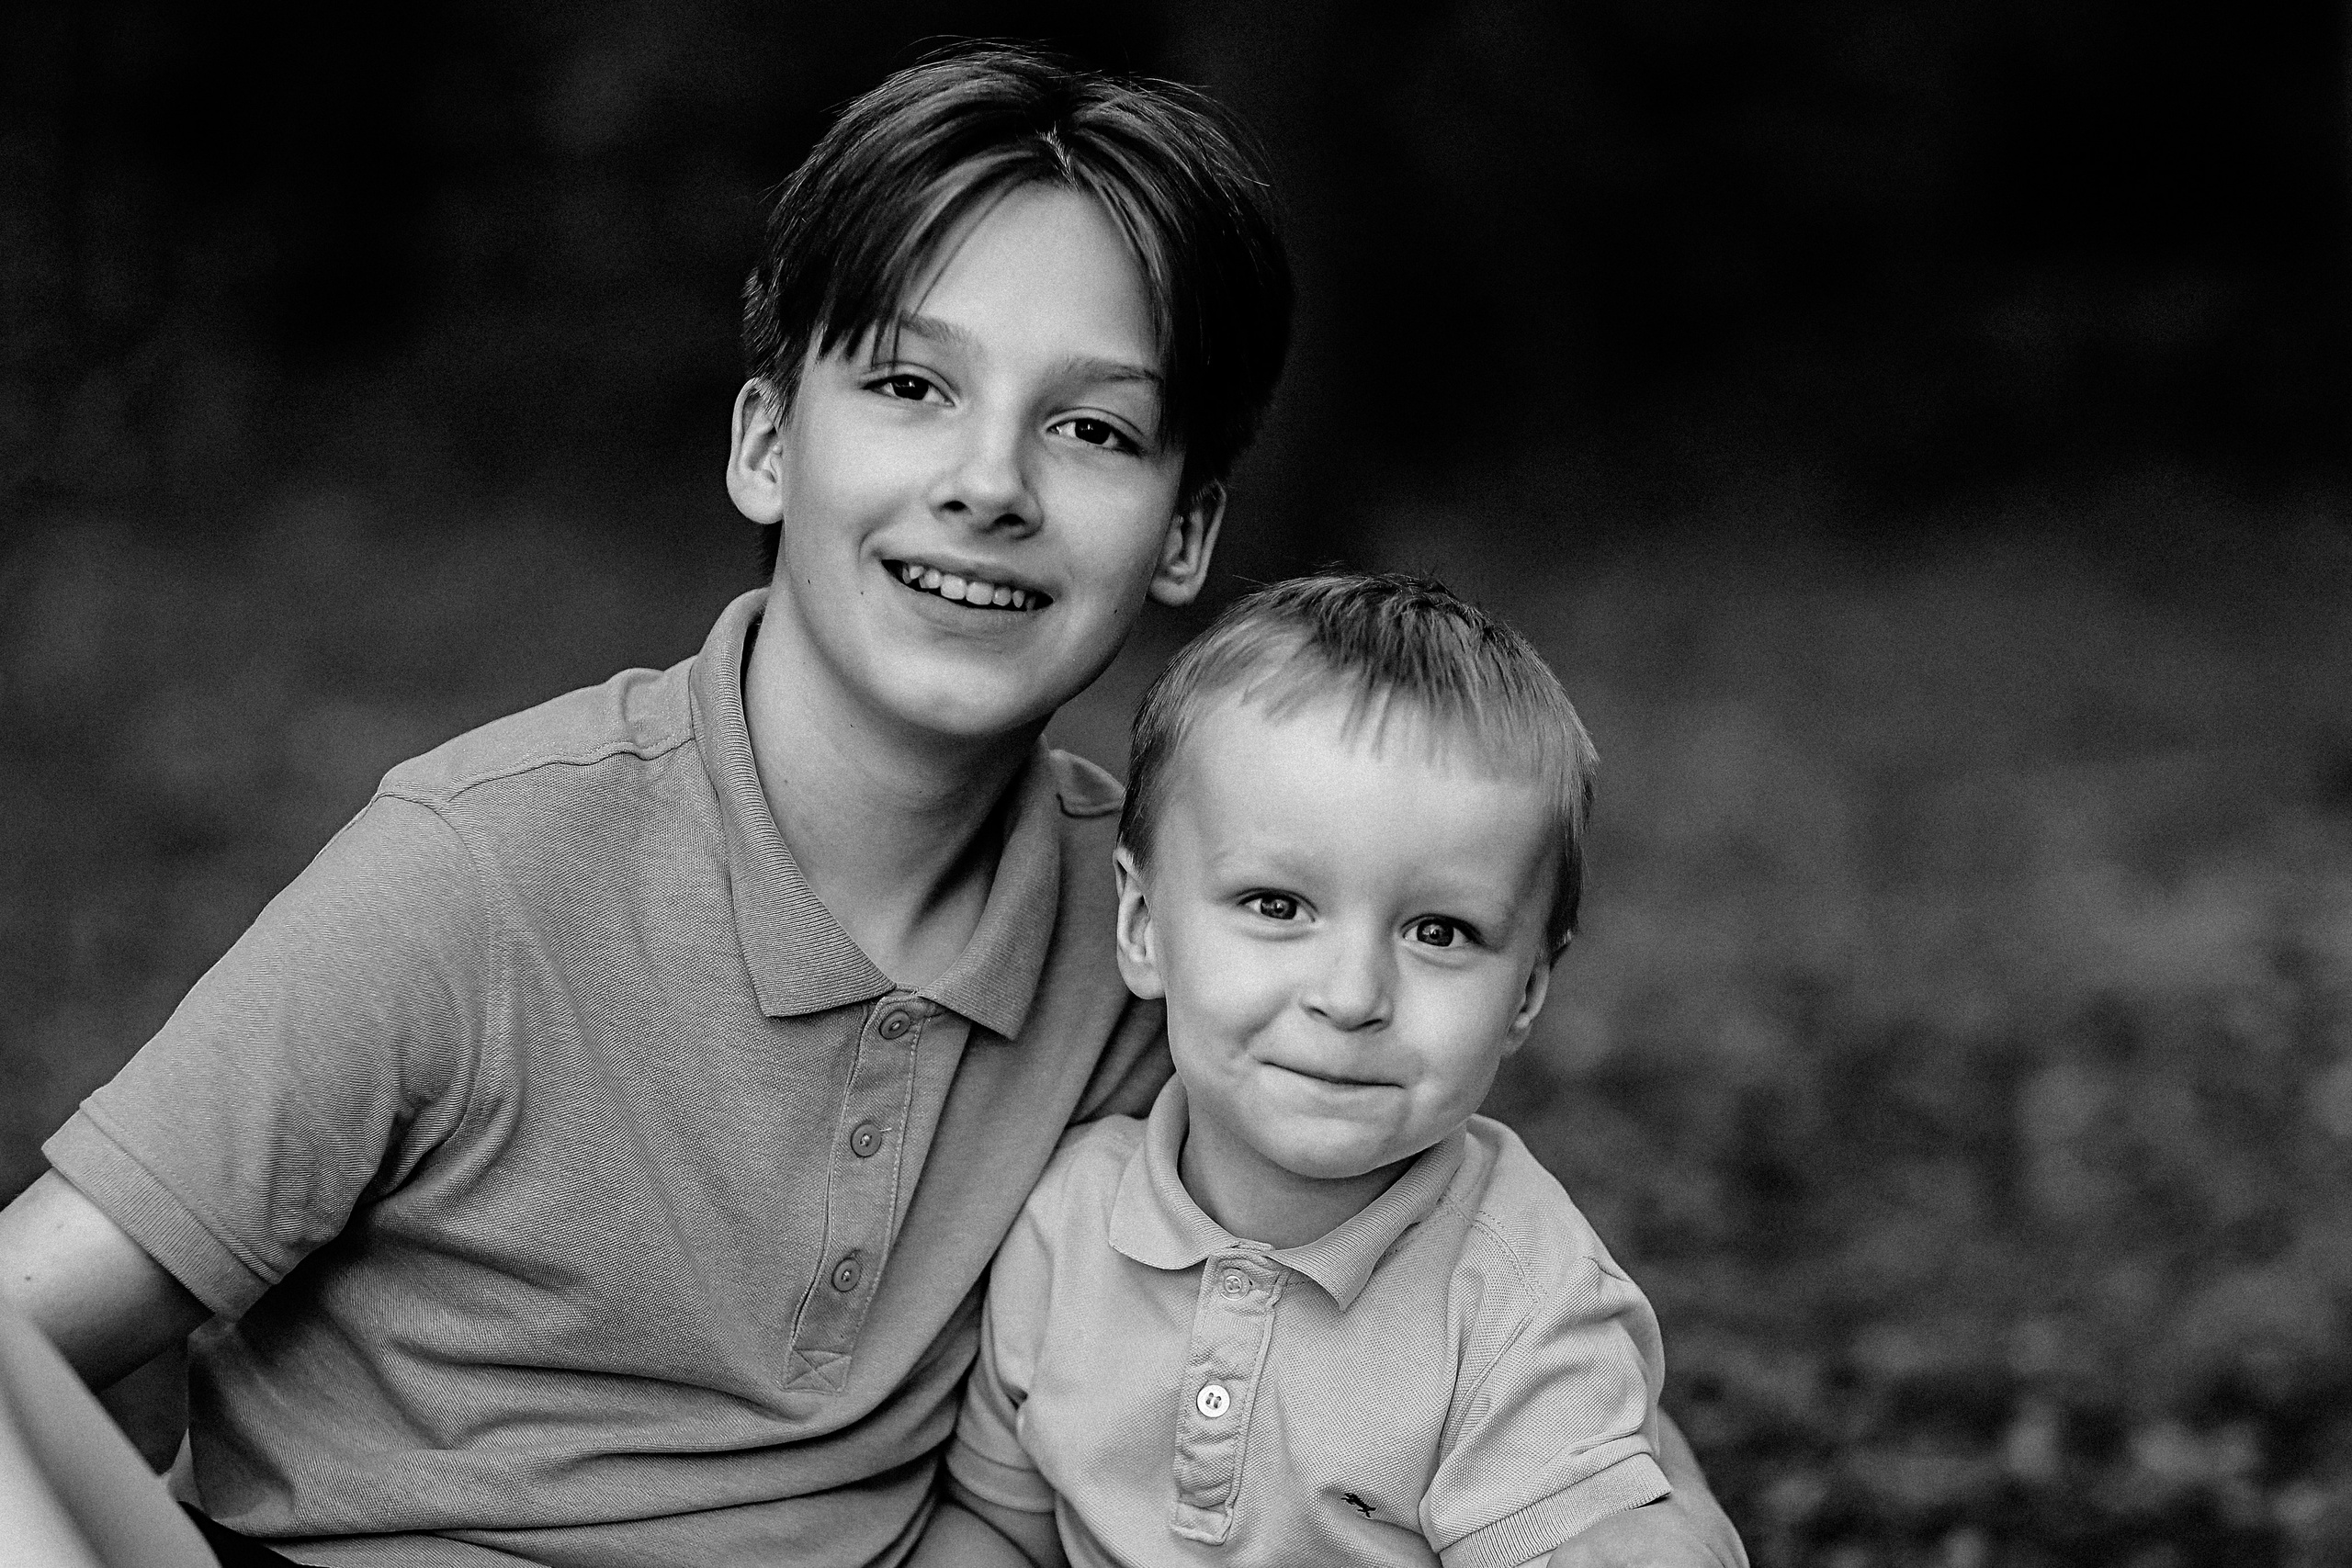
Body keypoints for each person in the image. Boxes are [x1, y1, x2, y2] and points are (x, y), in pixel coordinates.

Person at [0, 44, 1737, 1568]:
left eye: (1094, 431)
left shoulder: (1176, 931)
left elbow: (1492, 1333)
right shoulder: (484, 871)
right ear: (769, 442)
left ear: (1187, 530)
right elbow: (30, 1332)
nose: (987, 482)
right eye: (912, 387)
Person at [917, 574, 1736, 1568]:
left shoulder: (1518, 1298)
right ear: (1142, 926)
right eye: (1276, 905)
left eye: (1440, 931)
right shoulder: (1064, 1221)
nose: (1351, 995)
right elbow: (1000, 1526)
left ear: (1524, 994)